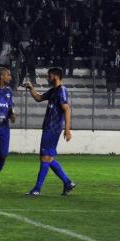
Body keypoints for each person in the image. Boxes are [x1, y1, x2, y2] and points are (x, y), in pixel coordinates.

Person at [25, 67, 76, 196]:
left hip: (53, 128)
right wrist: (31, 88)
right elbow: (39, 98)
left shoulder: (61, 91)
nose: (48, 78)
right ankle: (67, 182)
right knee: (47, 157)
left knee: (45, 157)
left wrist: (67, 130)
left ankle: (37, 189)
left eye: (49, 76)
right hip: (49, 127)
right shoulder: (54, 90)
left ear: (56, 76)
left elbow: (67, 109)